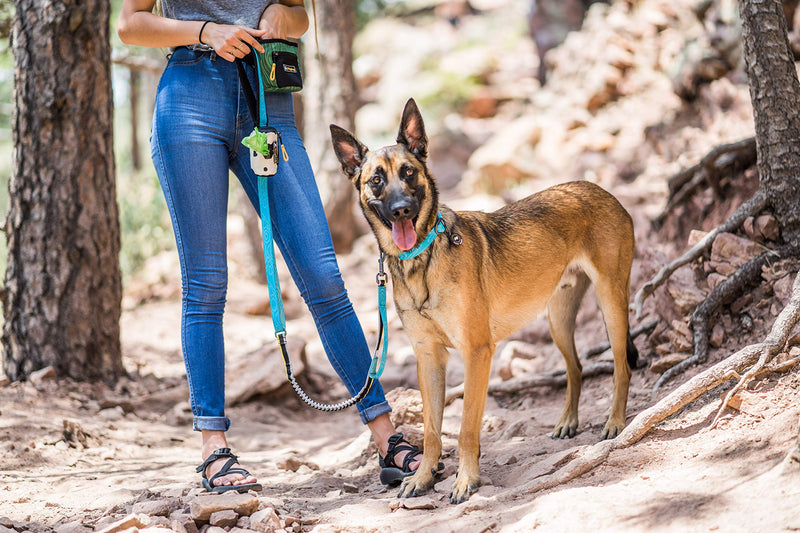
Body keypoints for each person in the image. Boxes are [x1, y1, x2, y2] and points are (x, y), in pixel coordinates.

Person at [117, 0, 421, 493]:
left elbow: (299, 15)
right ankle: (214, 450)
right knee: (207, 283)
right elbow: (130, 25)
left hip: (270, 99)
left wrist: (286, 17)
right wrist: (206, 32)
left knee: (324, 277)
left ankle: (386, 438)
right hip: (191, 98)